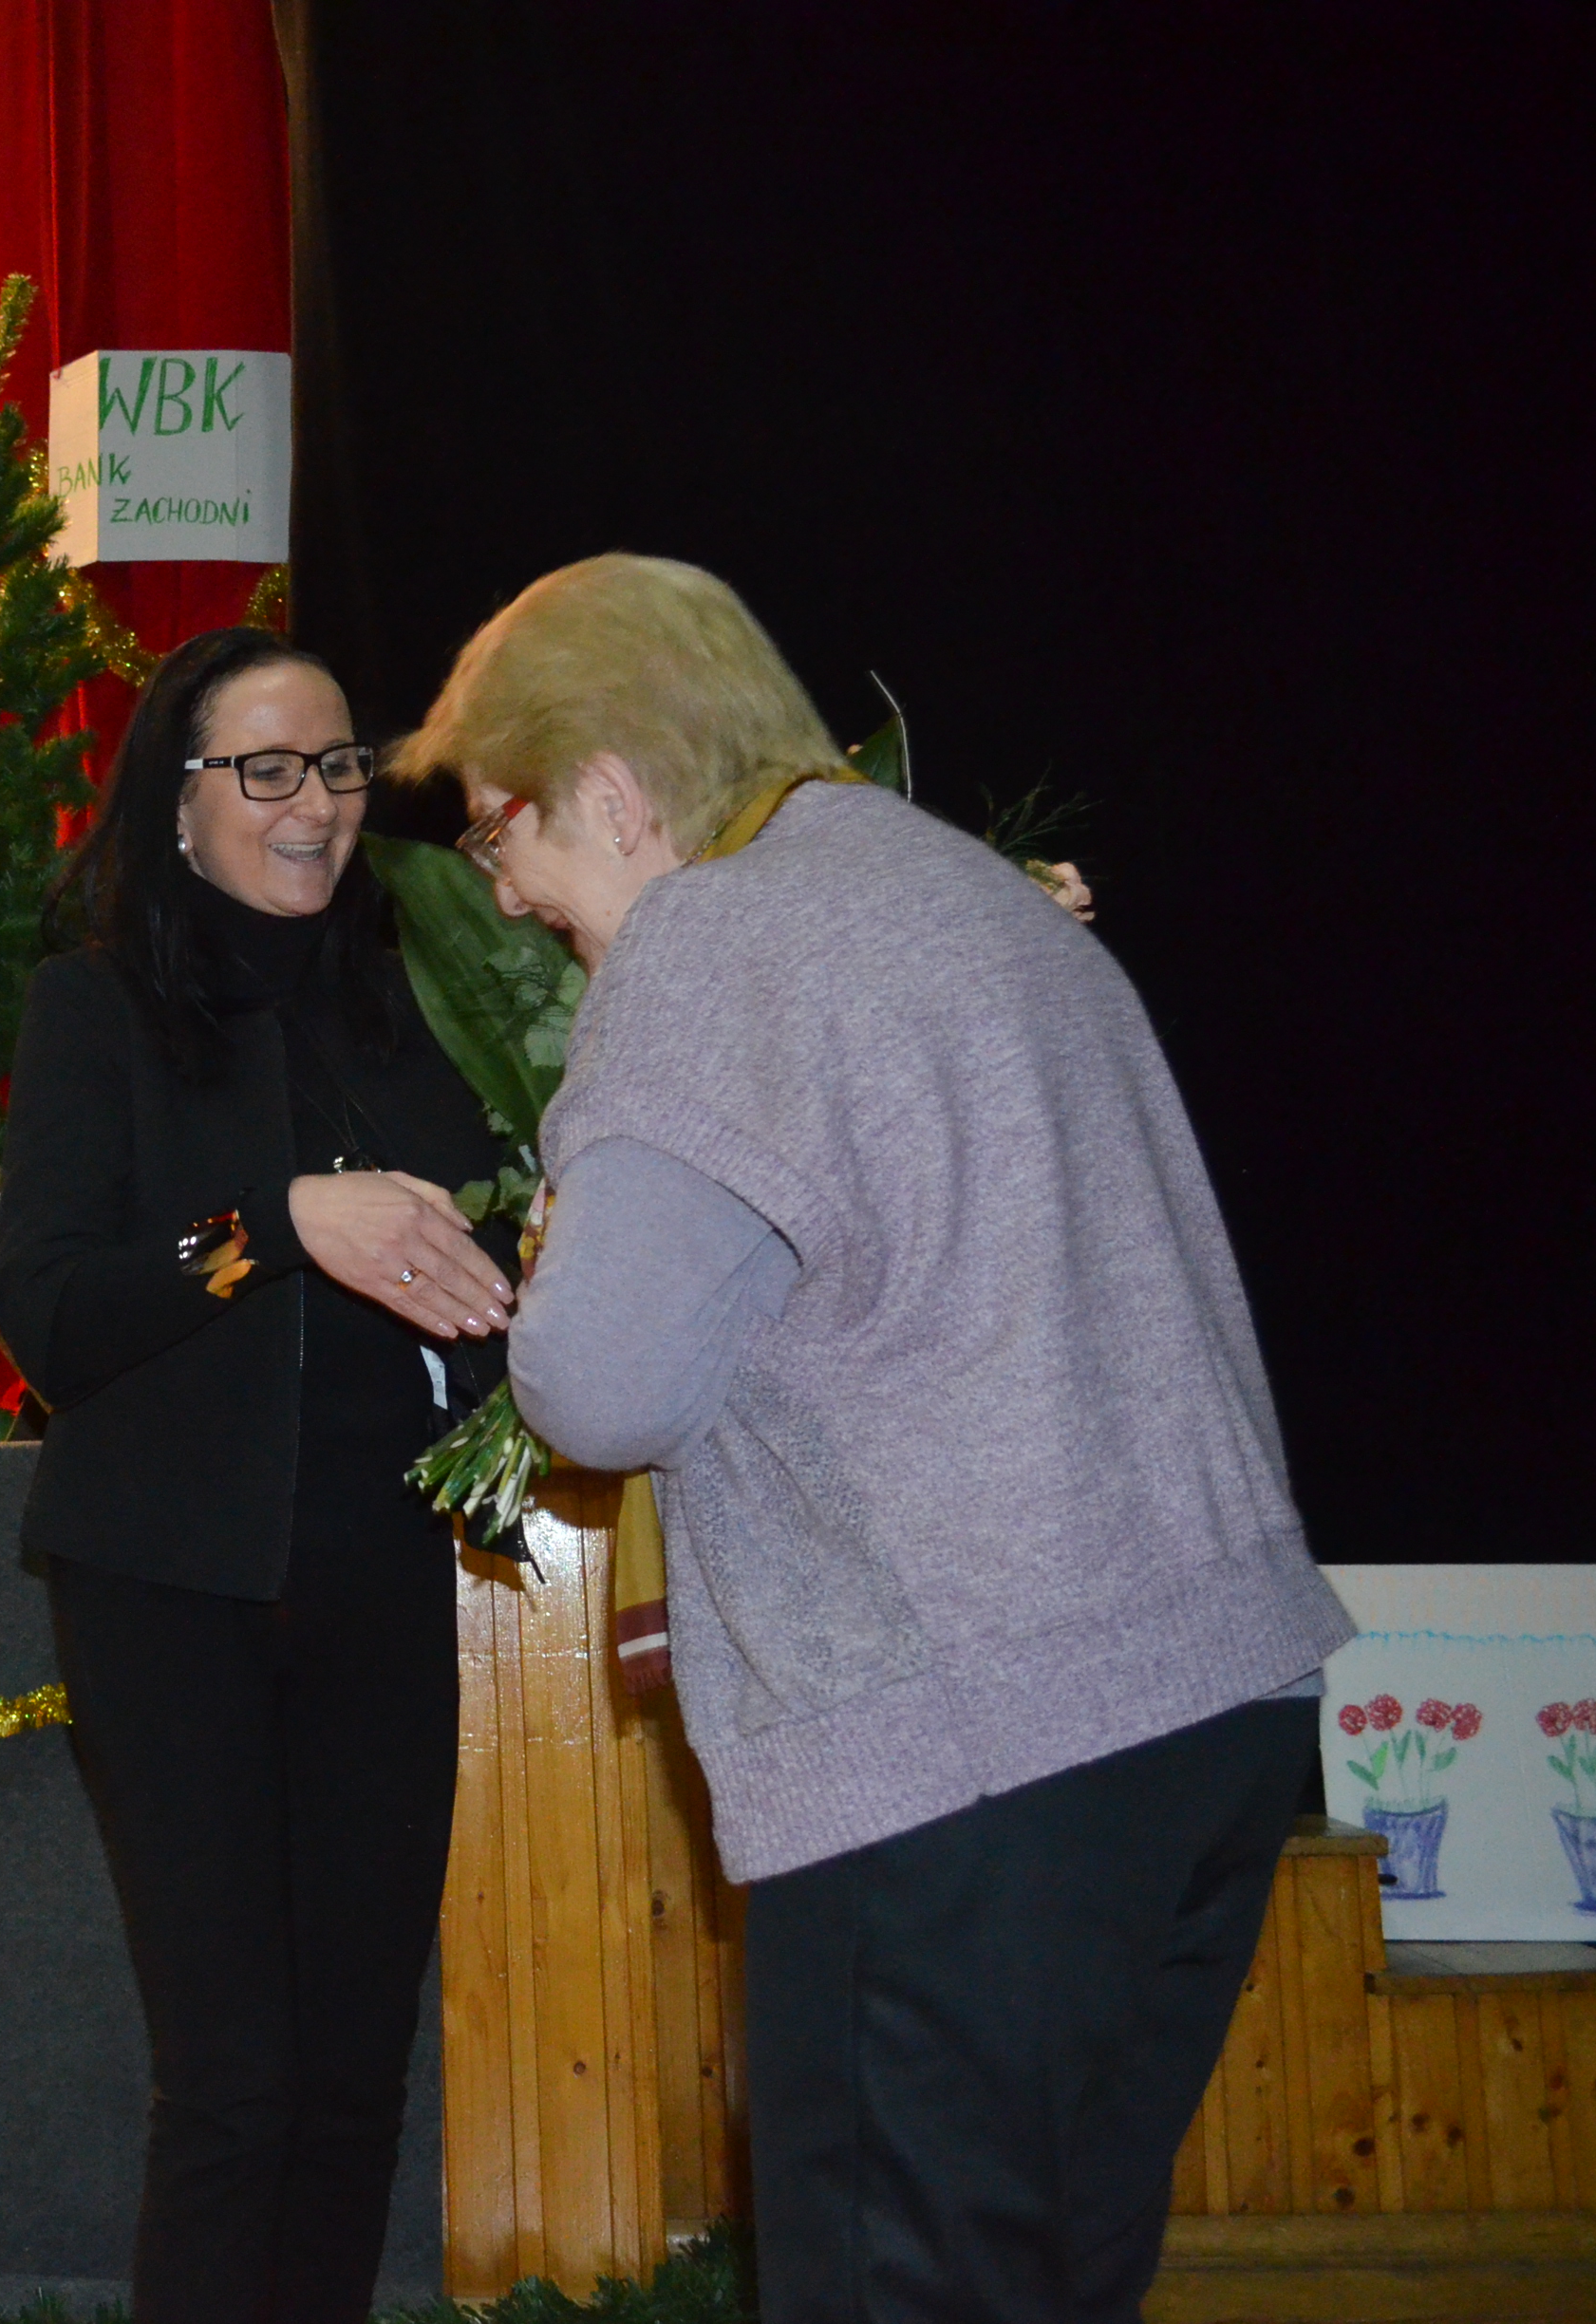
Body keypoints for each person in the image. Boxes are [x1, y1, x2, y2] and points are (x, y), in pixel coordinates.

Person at [404, 553, 1352, 2324]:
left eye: (495, 830)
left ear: (608, 786)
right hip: (1205, 1710)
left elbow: (600, 1385)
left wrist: (558, 1246)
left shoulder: (712, 939)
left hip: (971, 1759)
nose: (507, 894)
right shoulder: (964, 892)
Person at [0, 629, 517, 2320]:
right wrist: (273, 1225)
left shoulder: (419, 1002)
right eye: (268, 770)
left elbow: (498, 1271)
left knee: (355, 2079)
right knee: (233, 2088)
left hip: (380, 1581)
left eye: (340, 765)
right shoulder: (95, 1008)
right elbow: (55, 1315)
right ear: (179, 800)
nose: (316, 805)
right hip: (167, 1591)